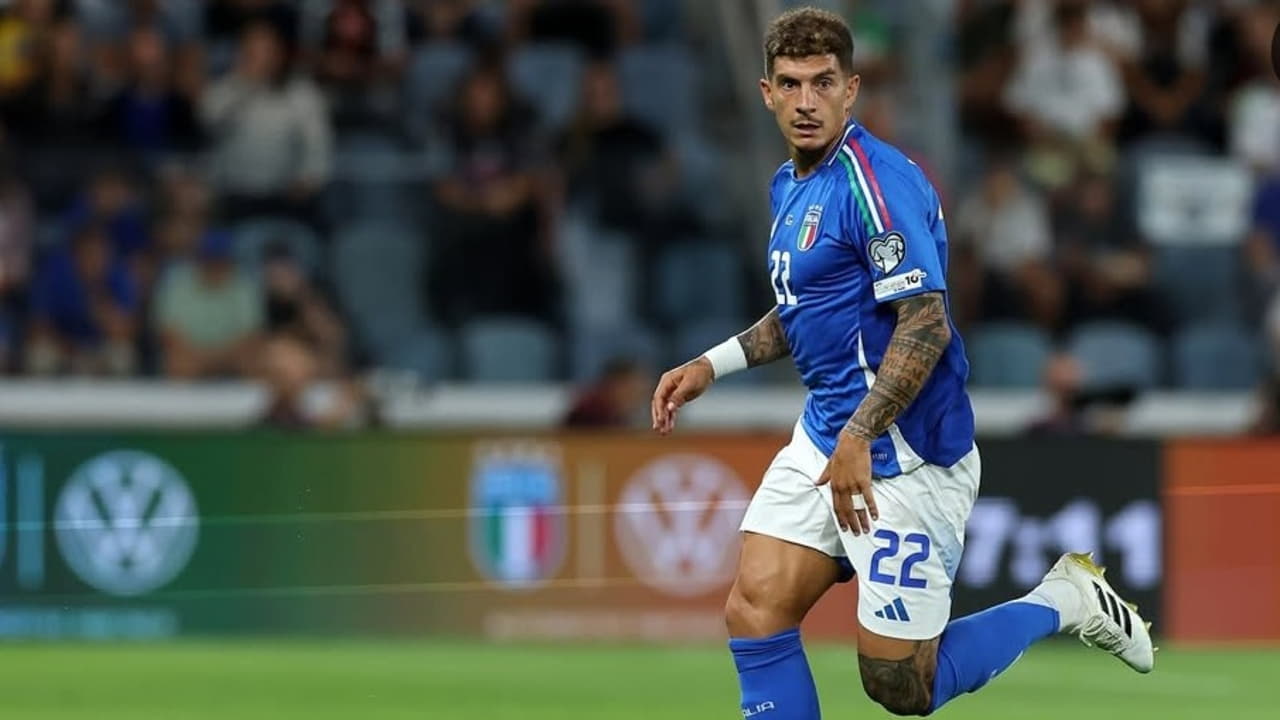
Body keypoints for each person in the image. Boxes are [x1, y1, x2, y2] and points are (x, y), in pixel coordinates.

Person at [649, 9, 1154, 718]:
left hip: (910, 455)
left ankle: (1063, 600)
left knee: (898, 686)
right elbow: (806, 311)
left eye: (822, 83)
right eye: (790, 85)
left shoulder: (876, 185)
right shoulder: (788, 185)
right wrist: (716, 363)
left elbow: (926, 325)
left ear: (850, 90)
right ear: (766, 93)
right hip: (830, 436)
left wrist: (861, 436)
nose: (805, 102)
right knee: (756, 608)